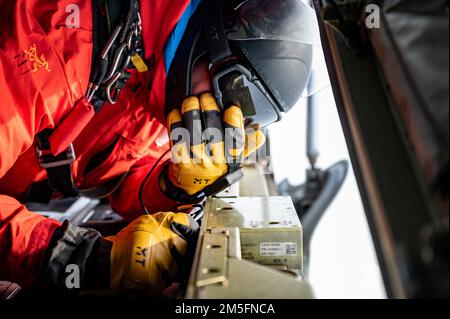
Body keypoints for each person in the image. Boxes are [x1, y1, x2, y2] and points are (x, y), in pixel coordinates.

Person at [0, 0, 317, 294]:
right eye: (235, 91)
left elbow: (124, 180)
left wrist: (175, 185)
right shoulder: (61, 41)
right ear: (214, 37)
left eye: (251, 115)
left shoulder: (159, 78)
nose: (223, 117)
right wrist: (82, 257)